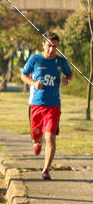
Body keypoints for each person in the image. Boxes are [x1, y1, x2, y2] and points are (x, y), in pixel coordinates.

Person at [21, 32, 72, 179]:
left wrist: (66, 80)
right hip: (36, 104)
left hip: (53, 105)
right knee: (36, 139)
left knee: (50, 138)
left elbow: (69, 75)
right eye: (49, 45)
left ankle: (46, 170)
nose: (51, 49)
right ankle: (37, 142)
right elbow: (23, 75)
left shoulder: (61, 61)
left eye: (54, 46)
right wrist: (33, 83)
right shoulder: (35, 59)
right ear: (43, 44)